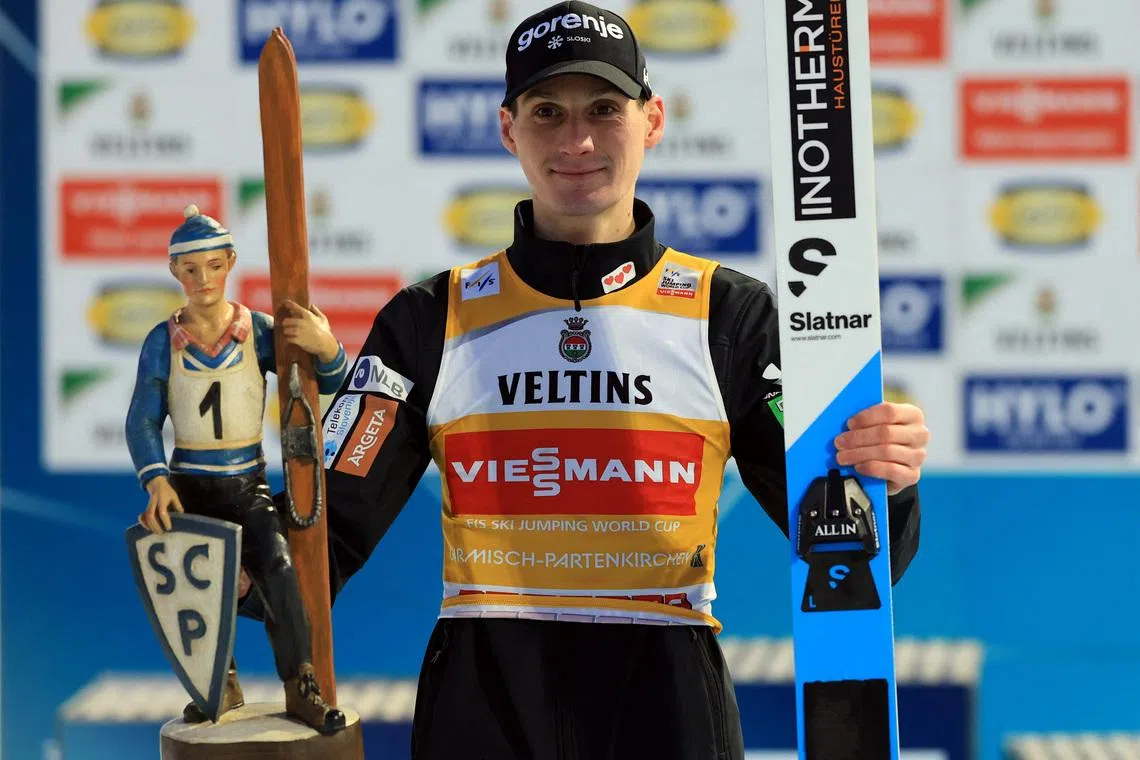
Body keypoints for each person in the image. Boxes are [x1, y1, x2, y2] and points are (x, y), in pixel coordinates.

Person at [273, 2, 928, 757]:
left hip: (665, 702)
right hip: (484, 707)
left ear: (652, 120)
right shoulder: (430, 319)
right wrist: (237, 532)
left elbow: (851, 548)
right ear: (507, 127)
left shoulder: (730, 315)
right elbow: (317, 542)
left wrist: (887, 474)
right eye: (547, 111)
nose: (577, 140)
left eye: (604, 109)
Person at [125, 204, 350, 734]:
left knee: (279, 567)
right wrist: (156, 479)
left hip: (246, 481)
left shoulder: (259, 331)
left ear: (229, 263)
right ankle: (217, 683)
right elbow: (142, 420)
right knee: (198, 586)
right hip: (188, 485)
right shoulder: (164, 341)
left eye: (212, 265)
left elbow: (330, 381)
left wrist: (329, 349)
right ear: (176, 274)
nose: (203, 279)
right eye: (190, 269)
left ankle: (302, 684)